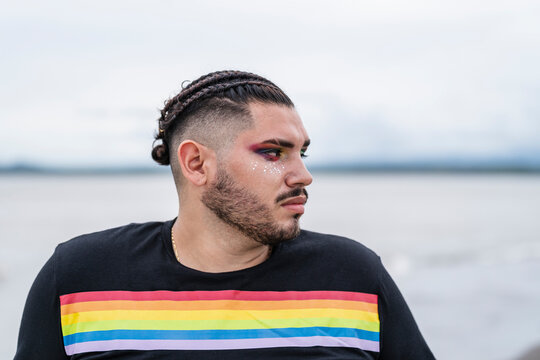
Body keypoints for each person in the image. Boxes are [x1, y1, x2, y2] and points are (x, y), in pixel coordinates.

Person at [14, 70, 435, 359]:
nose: (303, 175)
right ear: (197, 164)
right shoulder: (80, 278)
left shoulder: (352, 275)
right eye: (273, 153)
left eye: (301, 153)